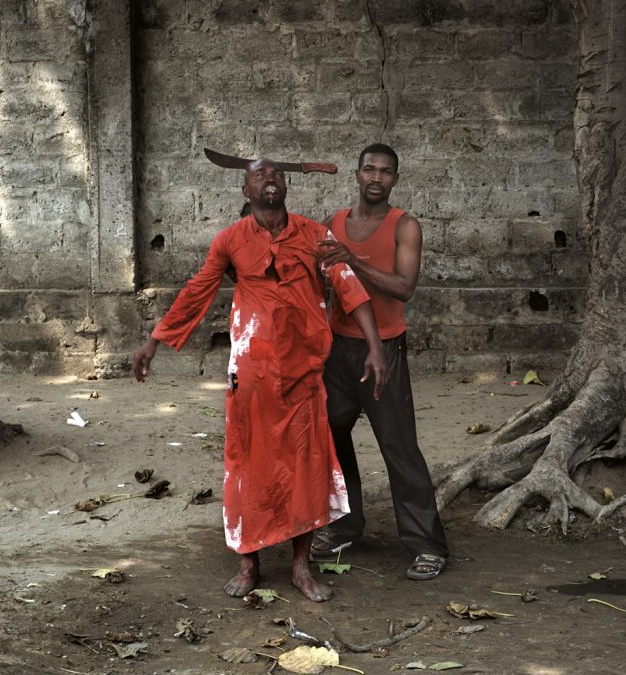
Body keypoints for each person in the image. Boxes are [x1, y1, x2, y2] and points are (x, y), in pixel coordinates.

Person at [132, 158, 389, 602]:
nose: (270, 180)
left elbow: (348, 287)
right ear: (245, 190)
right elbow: (199, 290)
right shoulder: (231, 240)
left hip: (305, 372)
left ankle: (300, 566)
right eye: (259, 175)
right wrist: (155, 340)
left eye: (277, 175)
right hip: (251, 371)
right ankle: (249, 563)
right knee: (247, 462)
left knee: (305, 463)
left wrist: (375, 346)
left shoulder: (314, 235)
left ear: (286, 187)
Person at [315, 143, 449, 580]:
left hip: (385, 349)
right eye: (369, 169)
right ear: (356, 175)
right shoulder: (333, 224)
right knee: (331, 438)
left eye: (385, 172)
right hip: (338, 350)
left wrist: (351, 259)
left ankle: (426, 545)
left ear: (395, 179)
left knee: (399, 447)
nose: (376, 178)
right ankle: (345, 525)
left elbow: (404, 287)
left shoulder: (403, 226)